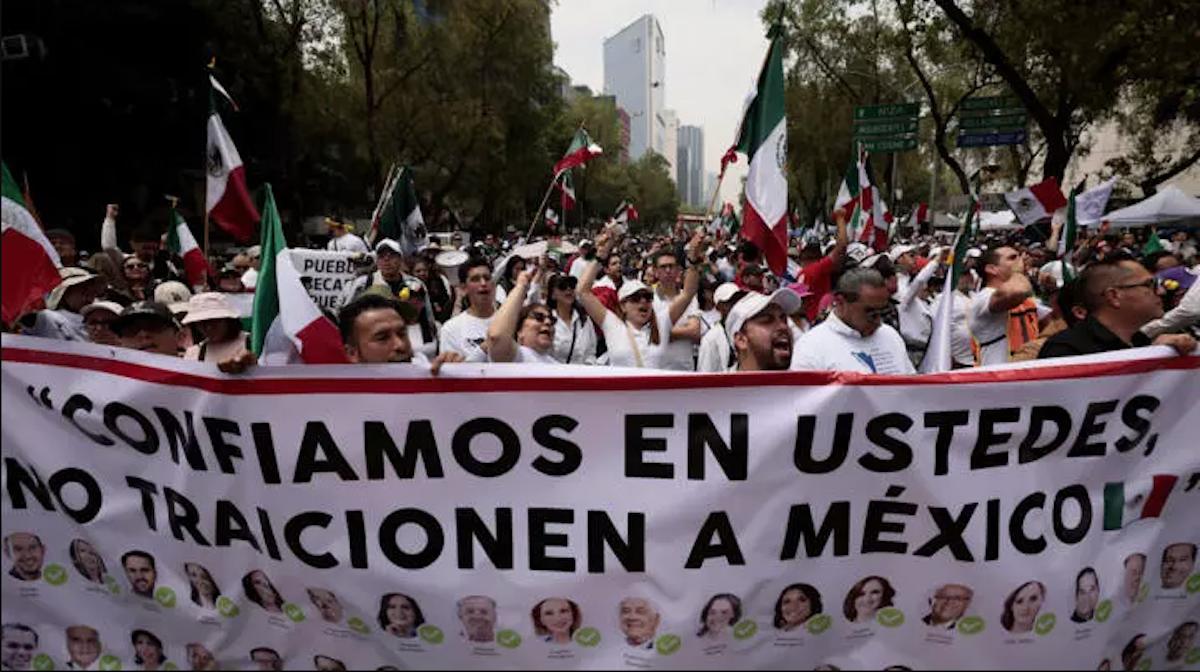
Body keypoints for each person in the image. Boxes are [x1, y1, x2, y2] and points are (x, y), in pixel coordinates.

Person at [579, 230, 704, 369]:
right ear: (623, 306)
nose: (643, 301)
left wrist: (693, 258)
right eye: (635, 298)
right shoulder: (613, 325)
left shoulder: (660, 325)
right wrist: (600, 257)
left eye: (647, 297)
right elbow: (583, 292)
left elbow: (688, 293)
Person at [1040, 256, 1196, 358]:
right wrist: (1148, 360)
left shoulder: (1141, 341)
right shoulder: (1067, 351)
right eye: (1149, 285)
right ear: (1114, 297)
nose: (1161, 292)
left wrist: (1159, 355)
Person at [792, 269, 917, 374]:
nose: (878, 321)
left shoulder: (891, 336)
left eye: (882, 312)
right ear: (841, 302)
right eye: (871, 313)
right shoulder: (811, 347)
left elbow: (911, 388)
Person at [338, 291, 462, 371]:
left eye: (402, 333)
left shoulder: (430, 376)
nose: (400, 345)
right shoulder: (336, 406)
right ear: (352, 353)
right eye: (382, 338)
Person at [967, 246, 1036, 366]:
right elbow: (1016, 291)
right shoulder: (983, 298)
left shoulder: (1027, 299)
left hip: (1025, 375)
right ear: (992, 269)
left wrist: (1052, 292)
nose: (1021, 261)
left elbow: (1056, 321)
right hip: (997, 377)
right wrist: (1018, 271)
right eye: (1013, 258)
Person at [486, 264, 562, 364]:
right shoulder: (515, 357)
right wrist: (521, 286)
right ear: (520, 332)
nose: (548, 322)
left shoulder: (557, 366)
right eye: (538, 317)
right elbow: (497, 336)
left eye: (552, 320)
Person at [650, 248, 703, 371]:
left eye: (671, 266)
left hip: (684, 369)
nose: (668, 271)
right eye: (663, 267)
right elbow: (647, 333)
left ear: (679, 270)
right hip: (655, 370)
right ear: (655, 271)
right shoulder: (647, 299)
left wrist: (662, 331)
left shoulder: (690, 298)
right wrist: (682, 332)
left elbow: (695, 332)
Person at [726, 289, 804, 371]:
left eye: (784, 320)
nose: (783, 327)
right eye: (767, 321)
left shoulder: (808, 382)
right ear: (741, 340)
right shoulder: (720, 383)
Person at [439, 256, 497, 361]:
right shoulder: (451, 328)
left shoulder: (509, 320)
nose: (483, 283)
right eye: (475, 279)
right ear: (464, 288)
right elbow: (452, 372)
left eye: (487, 278)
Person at [29, 268, 104, 341]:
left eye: (92, 293)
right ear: (65, 293)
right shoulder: (49, 317)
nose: (89, 299)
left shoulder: (100, 320)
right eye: (84, 292)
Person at [181, 293, 250, 363]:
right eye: (202, 323)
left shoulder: (253, 343)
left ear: (228, 320)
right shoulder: (193, 353)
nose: (209, 327)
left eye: (215, 321)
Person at [545, 274, 597, 365]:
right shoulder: (546, 321)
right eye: (562, 286)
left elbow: (591, 352)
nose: (568, 289)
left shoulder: (584, 320)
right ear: (552, 294)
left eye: (572, 285)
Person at [696, 283, 745, 373]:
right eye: (730, 302)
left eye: (738, 300)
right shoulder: (711, 338)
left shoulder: (748, 331)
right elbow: (705, 374)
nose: (735, 305)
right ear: (719, 307)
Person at [111, 302, 183, 357]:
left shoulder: (193, 371)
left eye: (153, 326)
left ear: (178, 336)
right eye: (131, 330)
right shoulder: (106, 376)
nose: (143, 334)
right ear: (119, 342)